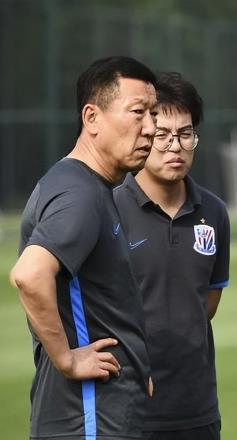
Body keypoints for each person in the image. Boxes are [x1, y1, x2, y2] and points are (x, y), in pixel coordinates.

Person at [9, 56, 158, 439]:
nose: (151, 128)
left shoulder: (91, 187)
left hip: (101, 412)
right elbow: (29, 275)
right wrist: (67, 359)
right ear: (92, 118)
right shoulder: (79, 193)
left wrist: (136, 363)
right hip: (87, 415)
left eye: (153, 114)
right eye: (138, 112)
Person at [113, 72, 230, 440]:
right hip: (127, 409)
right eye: (163, 135)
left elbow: (207, 301)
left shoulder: (214, 212)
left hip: (197, 409)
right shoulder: (108, 209)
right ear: (144, 133)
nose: (174, 147)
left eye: (185, 134)